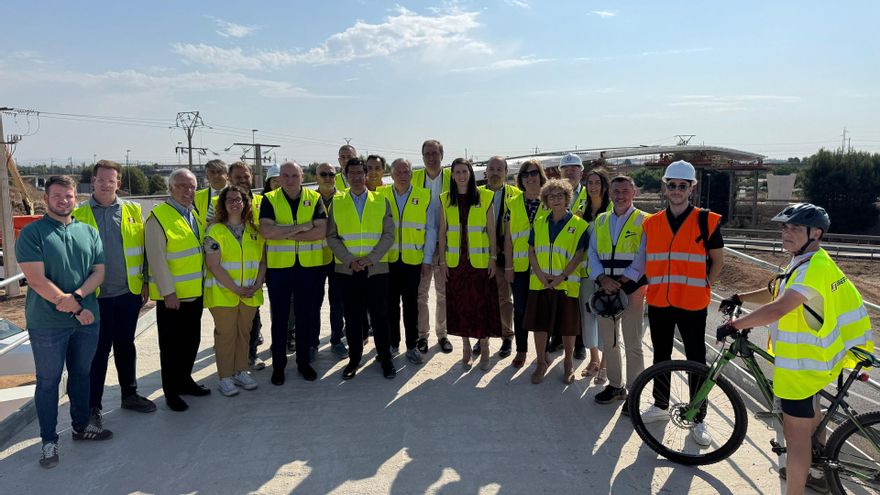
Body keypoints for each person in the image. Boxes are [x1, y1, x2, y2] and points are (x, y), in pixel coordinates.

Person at [717, 204, 873, 495]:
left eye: (795, 229)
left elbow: (779, 307)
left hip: (803, 366)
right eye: (784, 228)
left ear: (816, 233)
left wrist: (735, 325)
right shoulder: (808, 262)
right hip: (820, 358)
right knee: (811, 423)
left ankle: (797, 488)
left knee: (795, 438)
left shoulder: (812, 268)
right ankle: (816, 472)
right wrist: (740, 296)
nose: (786, 234)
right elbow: (780, 289)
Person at [17, 176, 110, 468]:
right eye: (57, 195)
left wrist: (80, 297)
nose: (63, 200)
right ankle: (48, 441)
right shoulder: (32, 234)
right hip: (47, 324)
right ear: (46, 199)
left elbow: (99, 271)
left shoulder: (88, 231)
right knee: (48, 382)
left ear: (76, 198)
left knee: (82, 374)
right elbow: (36, 280)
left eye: (68, 196)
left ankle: (81, 426)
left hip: (87, 318)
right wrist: (74, 308)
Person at [641, 160, 724, 446]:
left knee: (695, 360)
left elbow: (718, 259)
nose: (677, 190)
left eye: (682, 186)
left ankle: (698, 416)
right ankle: (661, 405)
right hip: (660, 300)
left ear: (692, 188)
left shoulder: (706, 220)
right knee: (660, 355)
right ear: (665, 186)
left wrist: (706, 283)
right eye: (672, 185)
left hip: (691, 302)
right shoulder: (651, 223)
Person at [72, 160, 155, 432]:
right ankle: (93, 406)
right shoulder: (79, 214)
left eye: (112, 180)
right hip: (95, 298)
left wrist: (145, 281)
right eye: (102, 179)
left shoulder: (132, 210)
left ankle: (129, 394)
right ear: (93, 182)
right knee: (97, 353)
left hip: (128, 293)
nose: (107, 184)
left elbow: (143, 249)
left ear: (118, 183)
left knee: (125, 346)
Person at [326, 157, 397, 380]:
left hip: (376, 269)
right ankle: (354, 359)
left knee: (380, 317)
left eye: (360, 173)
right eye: (352, 173)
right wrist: (349, 259)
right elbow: (332, 236)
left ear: (367, 175)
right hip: (348, 271)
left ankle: (385, 359)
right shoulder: (337, 202)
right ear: (345, 177)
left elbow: (388, 235)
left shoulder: (381, 201)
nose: (356, 177)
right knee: (353, 317)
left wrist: (371, 258)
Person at [145, 168, 209, 412]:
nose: (188, 190)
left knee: (190, 342)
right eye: (182, 186)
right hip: (173, 297)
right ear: (170, 188)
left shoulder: (193, 214)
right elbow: (157, 257)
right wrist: (168, 292)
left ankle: (185, 381)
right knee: (171, 347)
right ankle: (171, 392)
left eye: (192, 186)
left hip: (194, 293)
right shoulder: (159, 217)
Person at [260, 161, 327, 384]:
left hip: (308, 268)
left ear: (301, 176)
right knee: (278, 319)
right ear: (279, 178)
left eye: (294, 176)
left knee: (305, 318)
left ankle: (303, 363)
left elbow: (321, 231)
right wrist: (301, 227)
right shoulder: (270, 199)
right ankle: (278, 366)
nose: (289, 180)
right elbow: (267, 231)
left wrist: (285, 233)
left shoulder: (314, 198)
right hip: (279, 269)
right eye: (285, 176)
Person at [588, 175, 648, 412]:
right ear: (609, 193)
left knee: (633, 342)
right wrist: (601, 277)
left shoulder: (644, 220)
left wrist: (624, 279)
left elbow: (644, 252)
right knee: (609, 341)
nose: (620, 195)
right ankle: (615, 385)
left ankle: (635, 390)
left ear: (634, 193)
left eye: (625, 191)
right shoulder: (601, 220)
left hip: (632, 289)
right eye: (616, 191)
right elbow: (592, 252)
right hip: (605, 289)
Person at [437, 158, 501, 370]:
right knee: (461, 306)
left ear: (471, 174)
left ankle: (484, 347)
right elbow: (442, 233)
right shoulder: (445, 199)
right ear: (452, 176)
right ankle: (465, 346)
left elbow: (491, 230)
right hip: (456, 263)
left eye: (465, 171)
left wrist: (493, 257)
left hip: (480, 262)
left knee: (481, 305)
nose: (461, 175)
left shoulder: (485, 196)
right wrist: (443, 261)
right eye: (457, 172)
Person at [204, 185, 266, 396]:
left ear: (245, 202)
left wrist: (257, 284)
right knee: (226, 336)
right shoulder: (215, 231)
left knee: (244, 334)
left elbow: (262, 261)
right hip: (224, 294)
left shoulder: (254, 231)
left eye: (238, 199)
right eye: (230, 200)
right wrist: (236, 289)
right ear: (223, 204)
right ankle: (225, 377)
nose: (234, 203)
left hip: (249, 294)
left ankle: (240, 371)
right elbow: (213, 265)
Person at [524, 179, 588, 384]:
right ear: (546, 200)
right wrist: (542, 276)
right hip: (540, 282)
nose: (556, 199)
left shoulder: (579, 225)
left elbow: (578, 255)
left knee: (568, 327)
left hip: (566, 284)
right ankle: (542, 361)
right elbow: (531, 251)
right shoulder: (539, 222)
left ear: (568, 198)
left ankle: (568, 363)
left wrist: (561, 277)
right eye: (551, 196)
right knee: (539, 325)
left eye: (560, 195)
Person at [378, 158, 436, 364]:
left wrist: (427, 259)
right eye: (399, 172)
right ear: (391, 175)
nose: (403, 175)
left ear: (412, 174)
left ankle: (412, 346)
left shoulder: (424, 196)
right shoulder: (381, 195)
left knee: (411, 305)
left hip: (413, 261)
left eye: (407, 171)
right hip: (389, 260)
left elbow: (430, 230)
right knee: (390, 305)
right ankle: (393, 344)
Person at [504, 159, 548, 368]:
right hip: (520, 266)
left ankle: (543, 351)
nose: (530, 177)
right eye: (525, 174)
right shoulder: (512, 203)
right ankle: (521, 350)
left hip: (543, 266)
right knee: (520, 309)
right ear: (520, 179)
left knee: (542, 309)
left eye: (534, 173)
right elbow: (508, 238)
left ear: (540, 175)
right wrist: (509, 267)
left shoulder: (550, 201)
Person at [472, 156, 516, 359]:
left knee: (504, 299)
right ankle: (483, 337)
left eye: (500, 169)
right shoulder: (476, 195)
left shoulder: (516, 195)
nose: (495, 172)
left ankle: (507, 336)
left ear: (506, 172)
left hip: (505, 255)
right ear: (485, 172)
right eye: (492, 168)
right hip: (482, 255)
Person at [226, 161, 268, 371]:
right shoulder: (221, 202)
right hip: (228, 272)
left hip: (255, 268)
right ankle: (231, 359)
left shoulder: (262, 201)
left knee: (253, 316)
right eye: (238, 177)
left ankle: (250, 355)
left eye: (246, 176)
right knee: (228, 321)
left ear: (252, 177)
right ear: (229, 178)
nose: (242, 180)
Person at [414, 139, 454, 354]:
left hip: (444, 245)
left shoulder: (452, 179)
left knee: (443, 293)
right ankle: (422, 335)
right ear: (422, 156)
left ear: (441, 155)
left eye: (434, 153)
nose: (431, 157)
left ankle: (442, 334)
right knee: (421, 294)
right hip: (420, 245)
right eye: (427, 154)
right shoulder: (415, 178)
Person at [580, 167, 612, 383]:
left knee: (606, 317)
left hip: (605, 273)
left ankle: (605, 364)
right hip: (584, 271)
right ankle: (593, 358)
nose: (592, 187)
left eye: (597, 182)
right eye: (589, 182)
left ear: (604, 185)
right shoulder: (582, 207)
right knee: (588, 316)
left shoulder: (612, 209)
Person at [556, 153, 589, 361]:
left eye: (574, 169)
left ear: (581, 172)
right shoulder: (553, 194)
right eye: (566, 169)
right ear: (560, 173)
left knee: (580, 305)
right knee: (559, 301)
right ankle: (558, 337)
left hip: (582, 261)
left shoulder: (591, 194)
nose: (570, 172)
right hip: (559, 259)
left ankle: (580, 343)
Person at [315, 162, 348, 358]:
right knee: (314, 303)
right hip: (315, 258)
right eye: (323, 174)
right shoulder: (308, 198)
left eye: (331, 174)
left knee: (338, 302)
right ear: (316, 177)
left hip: (338, 259)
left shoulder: (344, 198)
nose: (328, 177)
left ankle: (336, 340)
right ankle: (312, 341)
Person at [194, 159, 228, 225]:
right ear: (207, 176)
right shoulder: (196, 197)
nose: (216, 176)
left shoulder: (237, 195)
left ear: (227, 175)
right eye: (212, 172)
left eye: (219, 172)